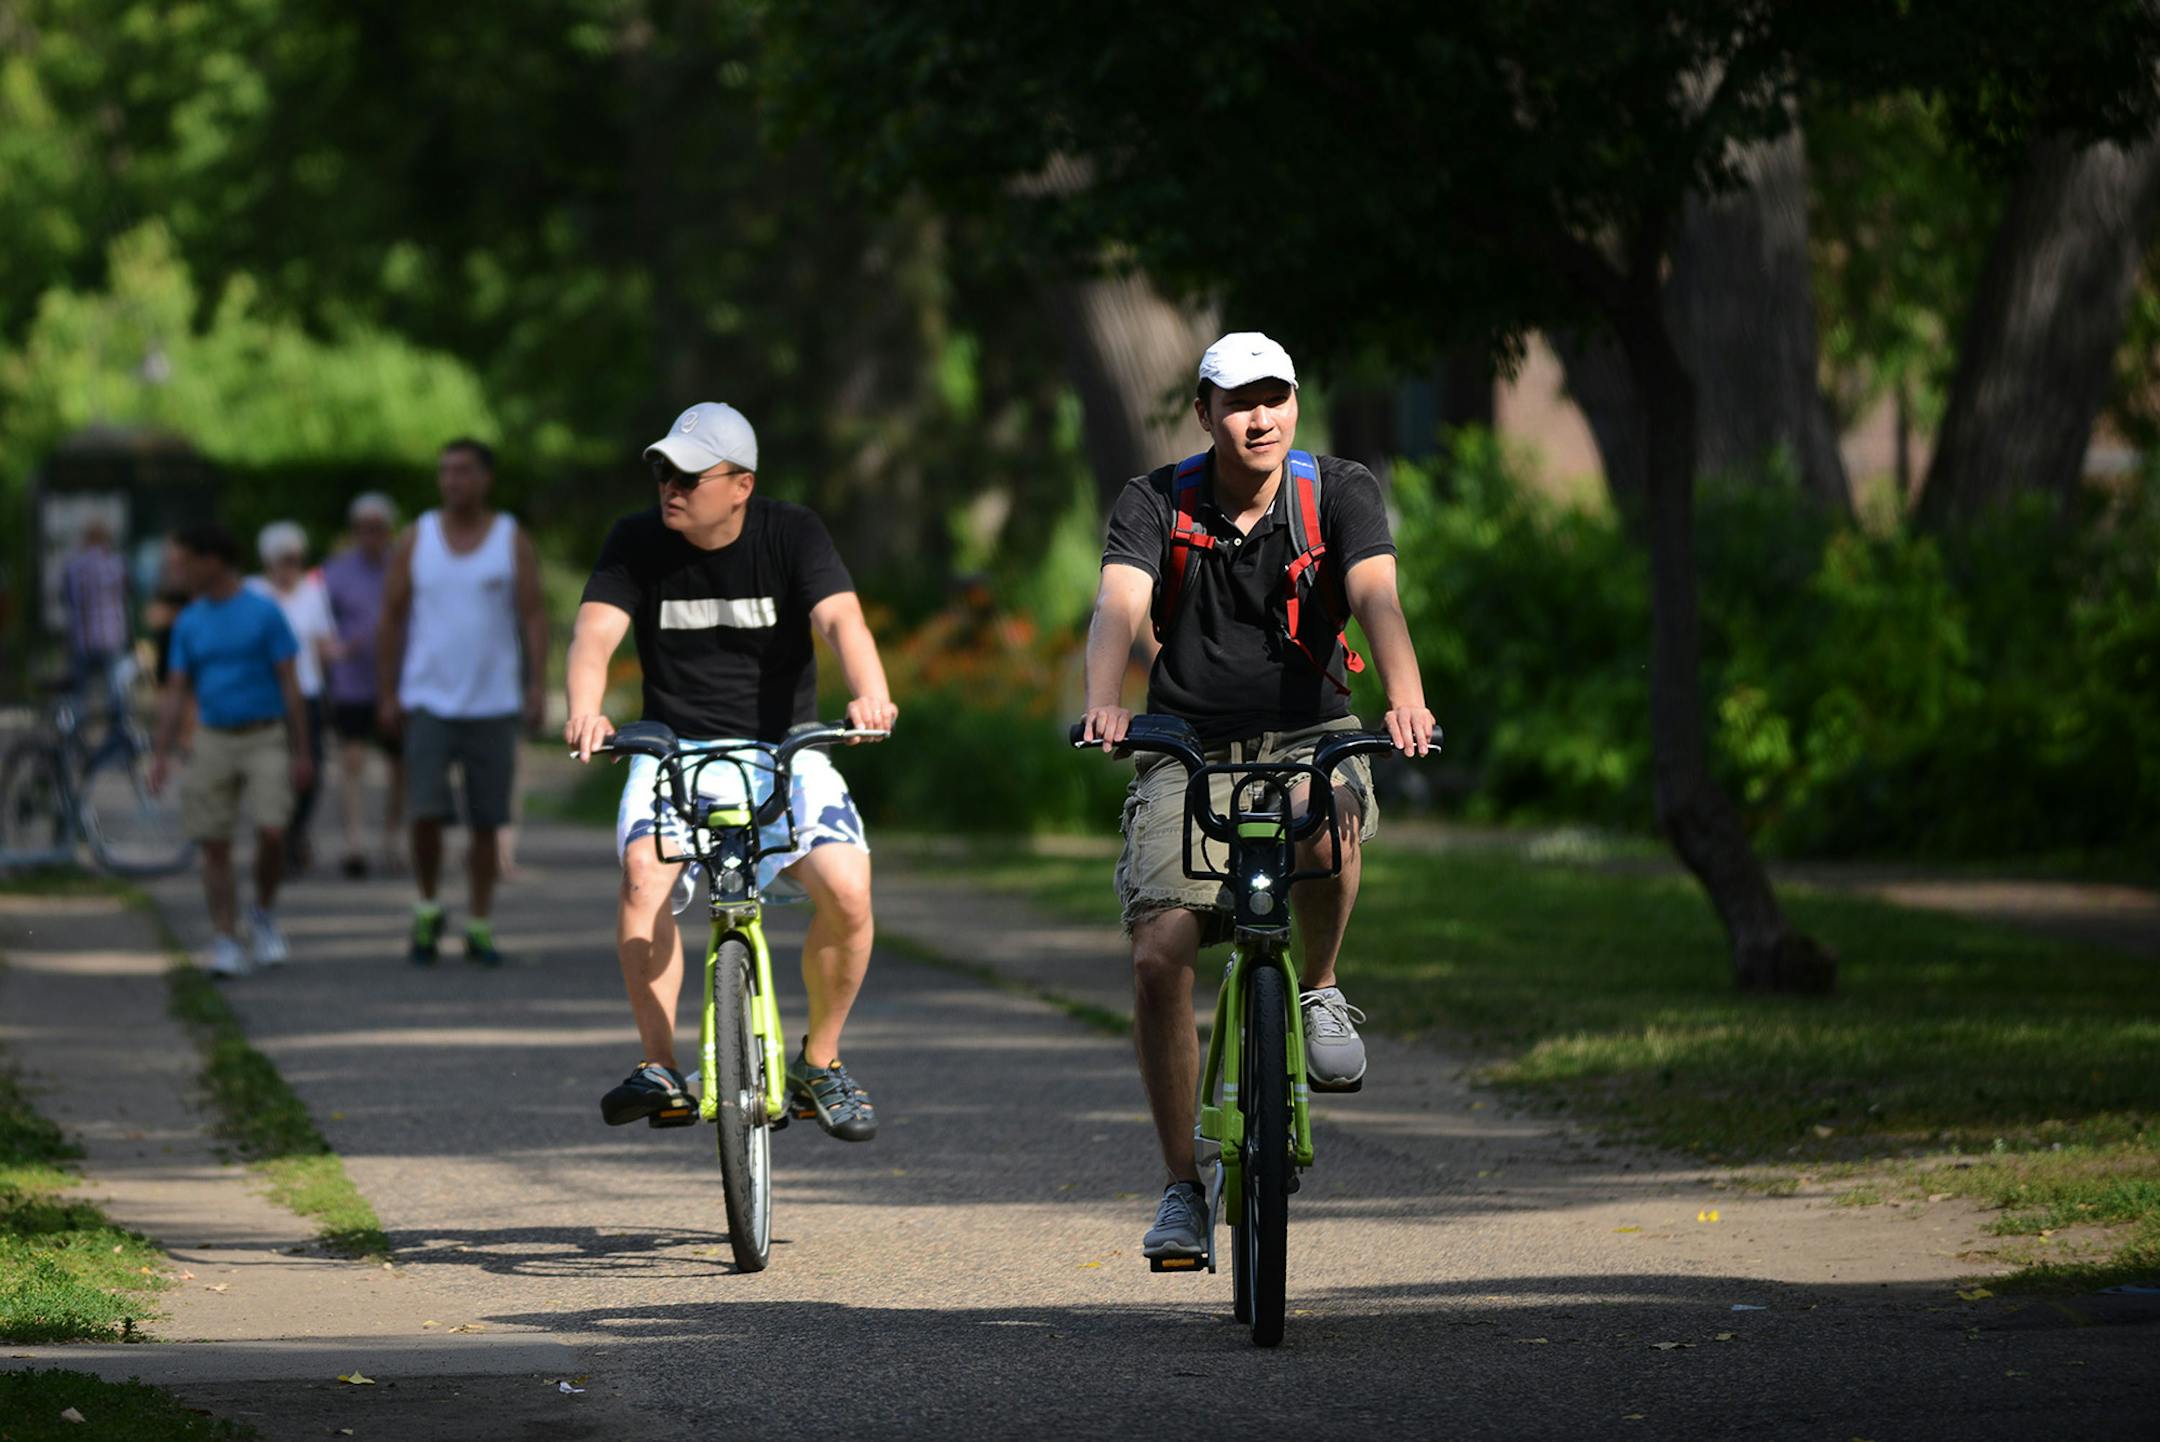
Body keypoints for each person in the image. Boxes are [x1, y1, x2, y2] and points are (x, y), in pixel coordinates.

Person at [1075, 332, 1438, 1264]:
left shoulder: (1338, 491)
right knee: (1160, 952)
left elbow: (1375, 596)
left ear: (1296, 405)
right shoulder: (1155, 501)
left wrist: (1405, 695)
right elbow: (1119, 604)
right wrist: (1105, 702)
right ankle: (1180, 1190)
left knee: (1331, 827)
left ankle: (1316, 987)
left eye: (1275, 397)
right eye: (1239, 402)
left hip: (1311, 733)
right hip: (1187, 745)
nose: (1260, 417)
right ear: (1204, 414)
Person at [564, 402, 898, 1140]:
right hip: (672, 749)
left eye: (688, 474)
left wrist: (869, 691)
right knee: (642, 875)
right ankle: (659, 1067)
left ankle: (821, 1060)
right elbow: (593, 636)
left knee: (848, 886)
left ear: (741, 484)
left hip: (786, 746)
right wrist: (587, 709)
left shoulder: (793, 532)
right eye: (662, 471)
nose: (670, 486)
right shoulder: (636, 541)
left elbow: (843, 620)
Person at [376, 439, 547, 967]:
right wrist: (387, 691)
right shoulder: (417, 537)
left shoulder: (509, 538)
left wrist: (536, 684)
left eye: (463, 471)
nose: (452, 480)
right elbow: (392, 615)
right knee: (424, 811)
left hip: (492, 700)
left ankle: (479, 919)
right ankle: (427, 905)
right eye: (445, 471)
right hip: (428, 697)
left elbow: (534, 615)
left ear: (485, 479)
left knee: (486, 819)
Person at [148, 523, 314, 977]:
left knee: (274, 829)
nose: (177, 572)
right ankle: (225, 937)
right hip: (213, 736)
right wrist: (160, 754)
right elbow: (176, 690)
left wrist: (303, 750)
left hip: (264, 733)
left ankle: (261, 913)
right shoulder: (189, 621)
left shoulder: (263, 613)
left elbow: (291, 684)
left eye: (184, 562)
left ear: (213, 561)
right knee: (214, 842)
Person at [321, 493, 404, 878]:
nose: (371, 535)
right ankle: (355, 841)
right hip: (352, 683)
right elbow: (320, 623)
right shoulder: (336, 572)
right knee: (351, 761)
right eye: (364, 528)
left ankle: (392, 838)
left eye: (379, 528)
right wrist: (334, 648)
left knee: (399, 766)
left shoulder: (403, 568)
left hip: (399, 682)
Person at [248, 522, 338, 874]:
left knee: (309, 768)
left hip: (308, 693)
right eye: (284, 560)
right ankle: (278, 837)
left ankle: (295, 832)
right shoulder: (253, 592)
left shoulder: (314, 592)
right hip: (267, 696)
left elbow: (322, 642)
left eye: (296, 560)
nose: (290, 568)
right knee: (273, 771)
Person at [58, 517, 132, 732]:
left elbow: (67, 599)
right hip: (112, 637)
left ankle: (73, 740)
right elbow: (127, 594)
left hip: (83, 639)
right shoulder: (117, 564)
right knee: (116, 694)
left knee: (78, 696)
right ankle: (118, 739)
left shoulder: (74, 566)